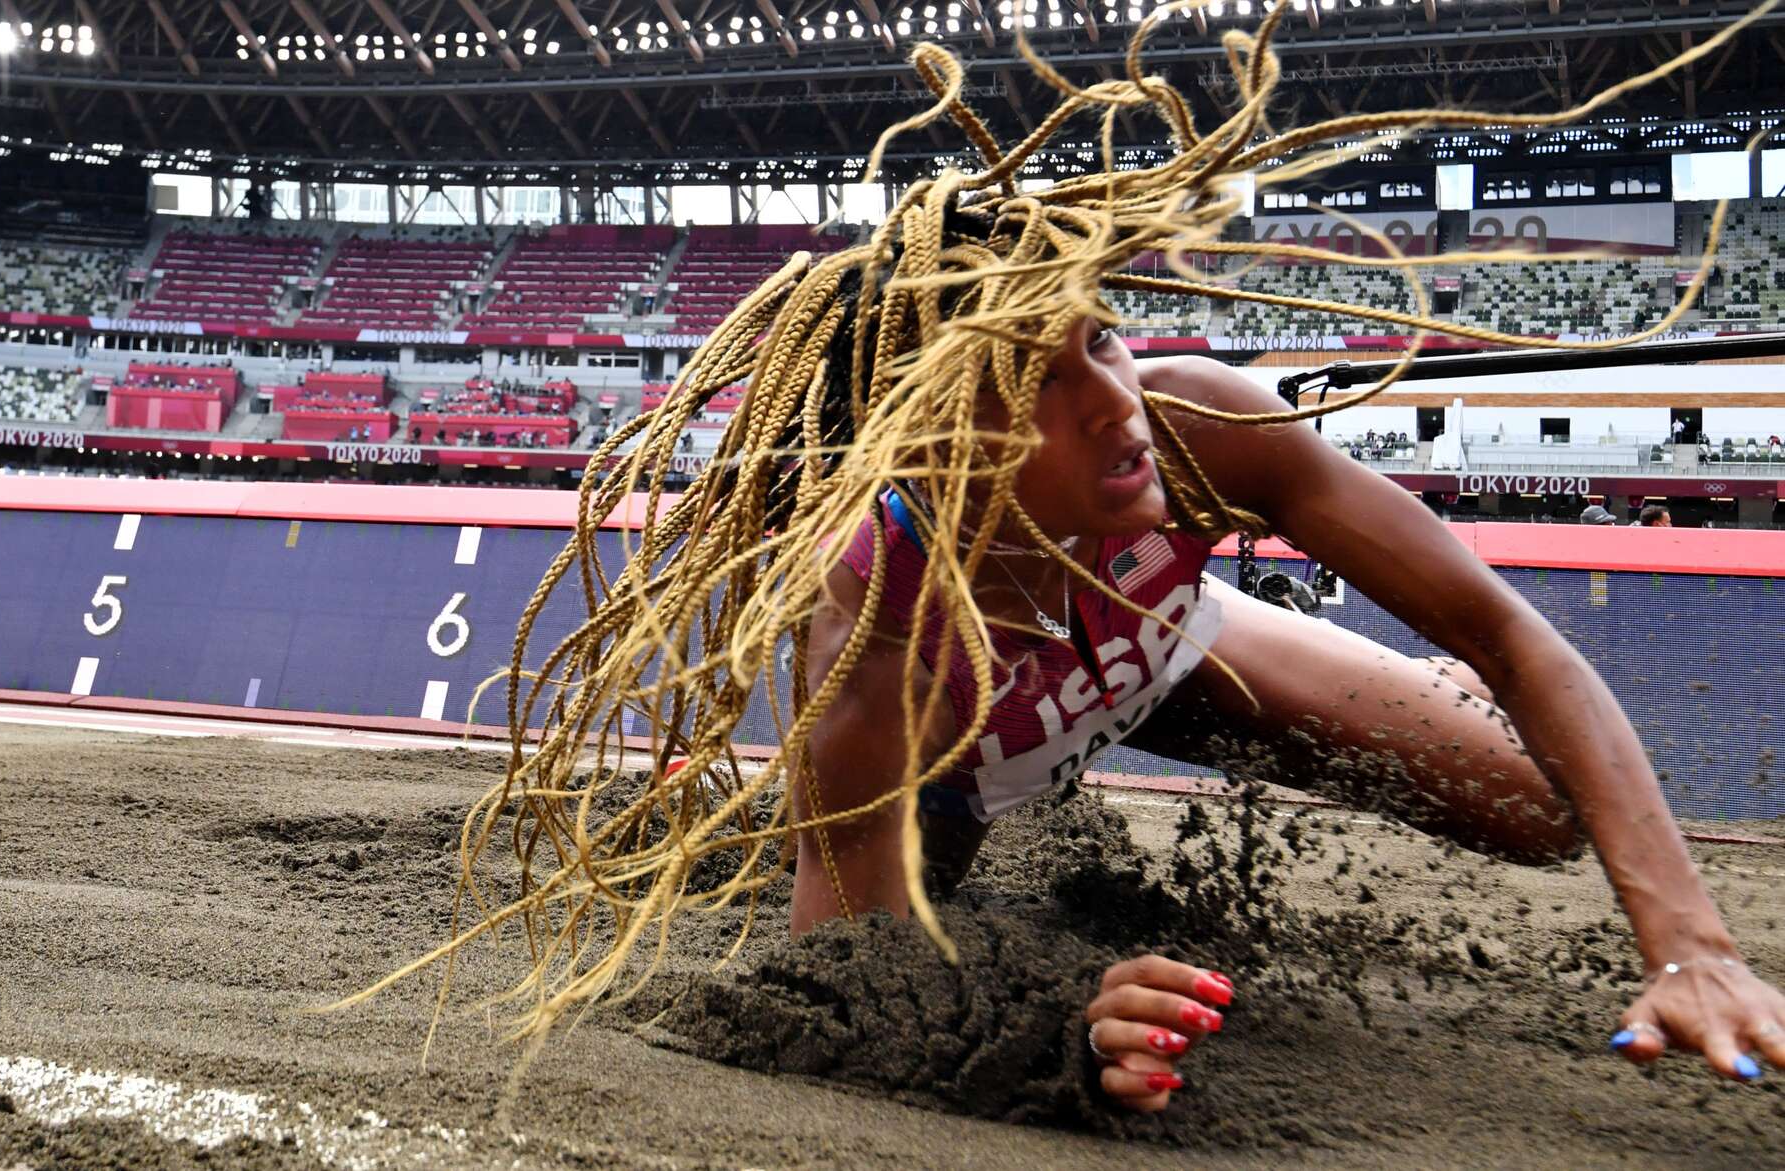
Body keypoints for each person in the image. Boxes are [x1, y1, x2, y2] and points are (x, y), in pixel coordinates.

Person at [352, 5, 1784, 1117]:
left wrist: (1689, 941)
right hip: (971, 764)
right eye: (1044, 377)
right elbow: (836, 974)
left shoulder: (1198, 426)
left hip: (1169, 646)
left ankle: (1233, 639)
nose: (1112, 393)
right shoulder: (876, 642)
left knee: (1541, 809)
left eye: (1100, 332)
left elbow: (1511, 635)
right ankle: (741, 827)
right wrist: (1058, 1022)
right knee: (927, 911)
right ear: (935, 440)